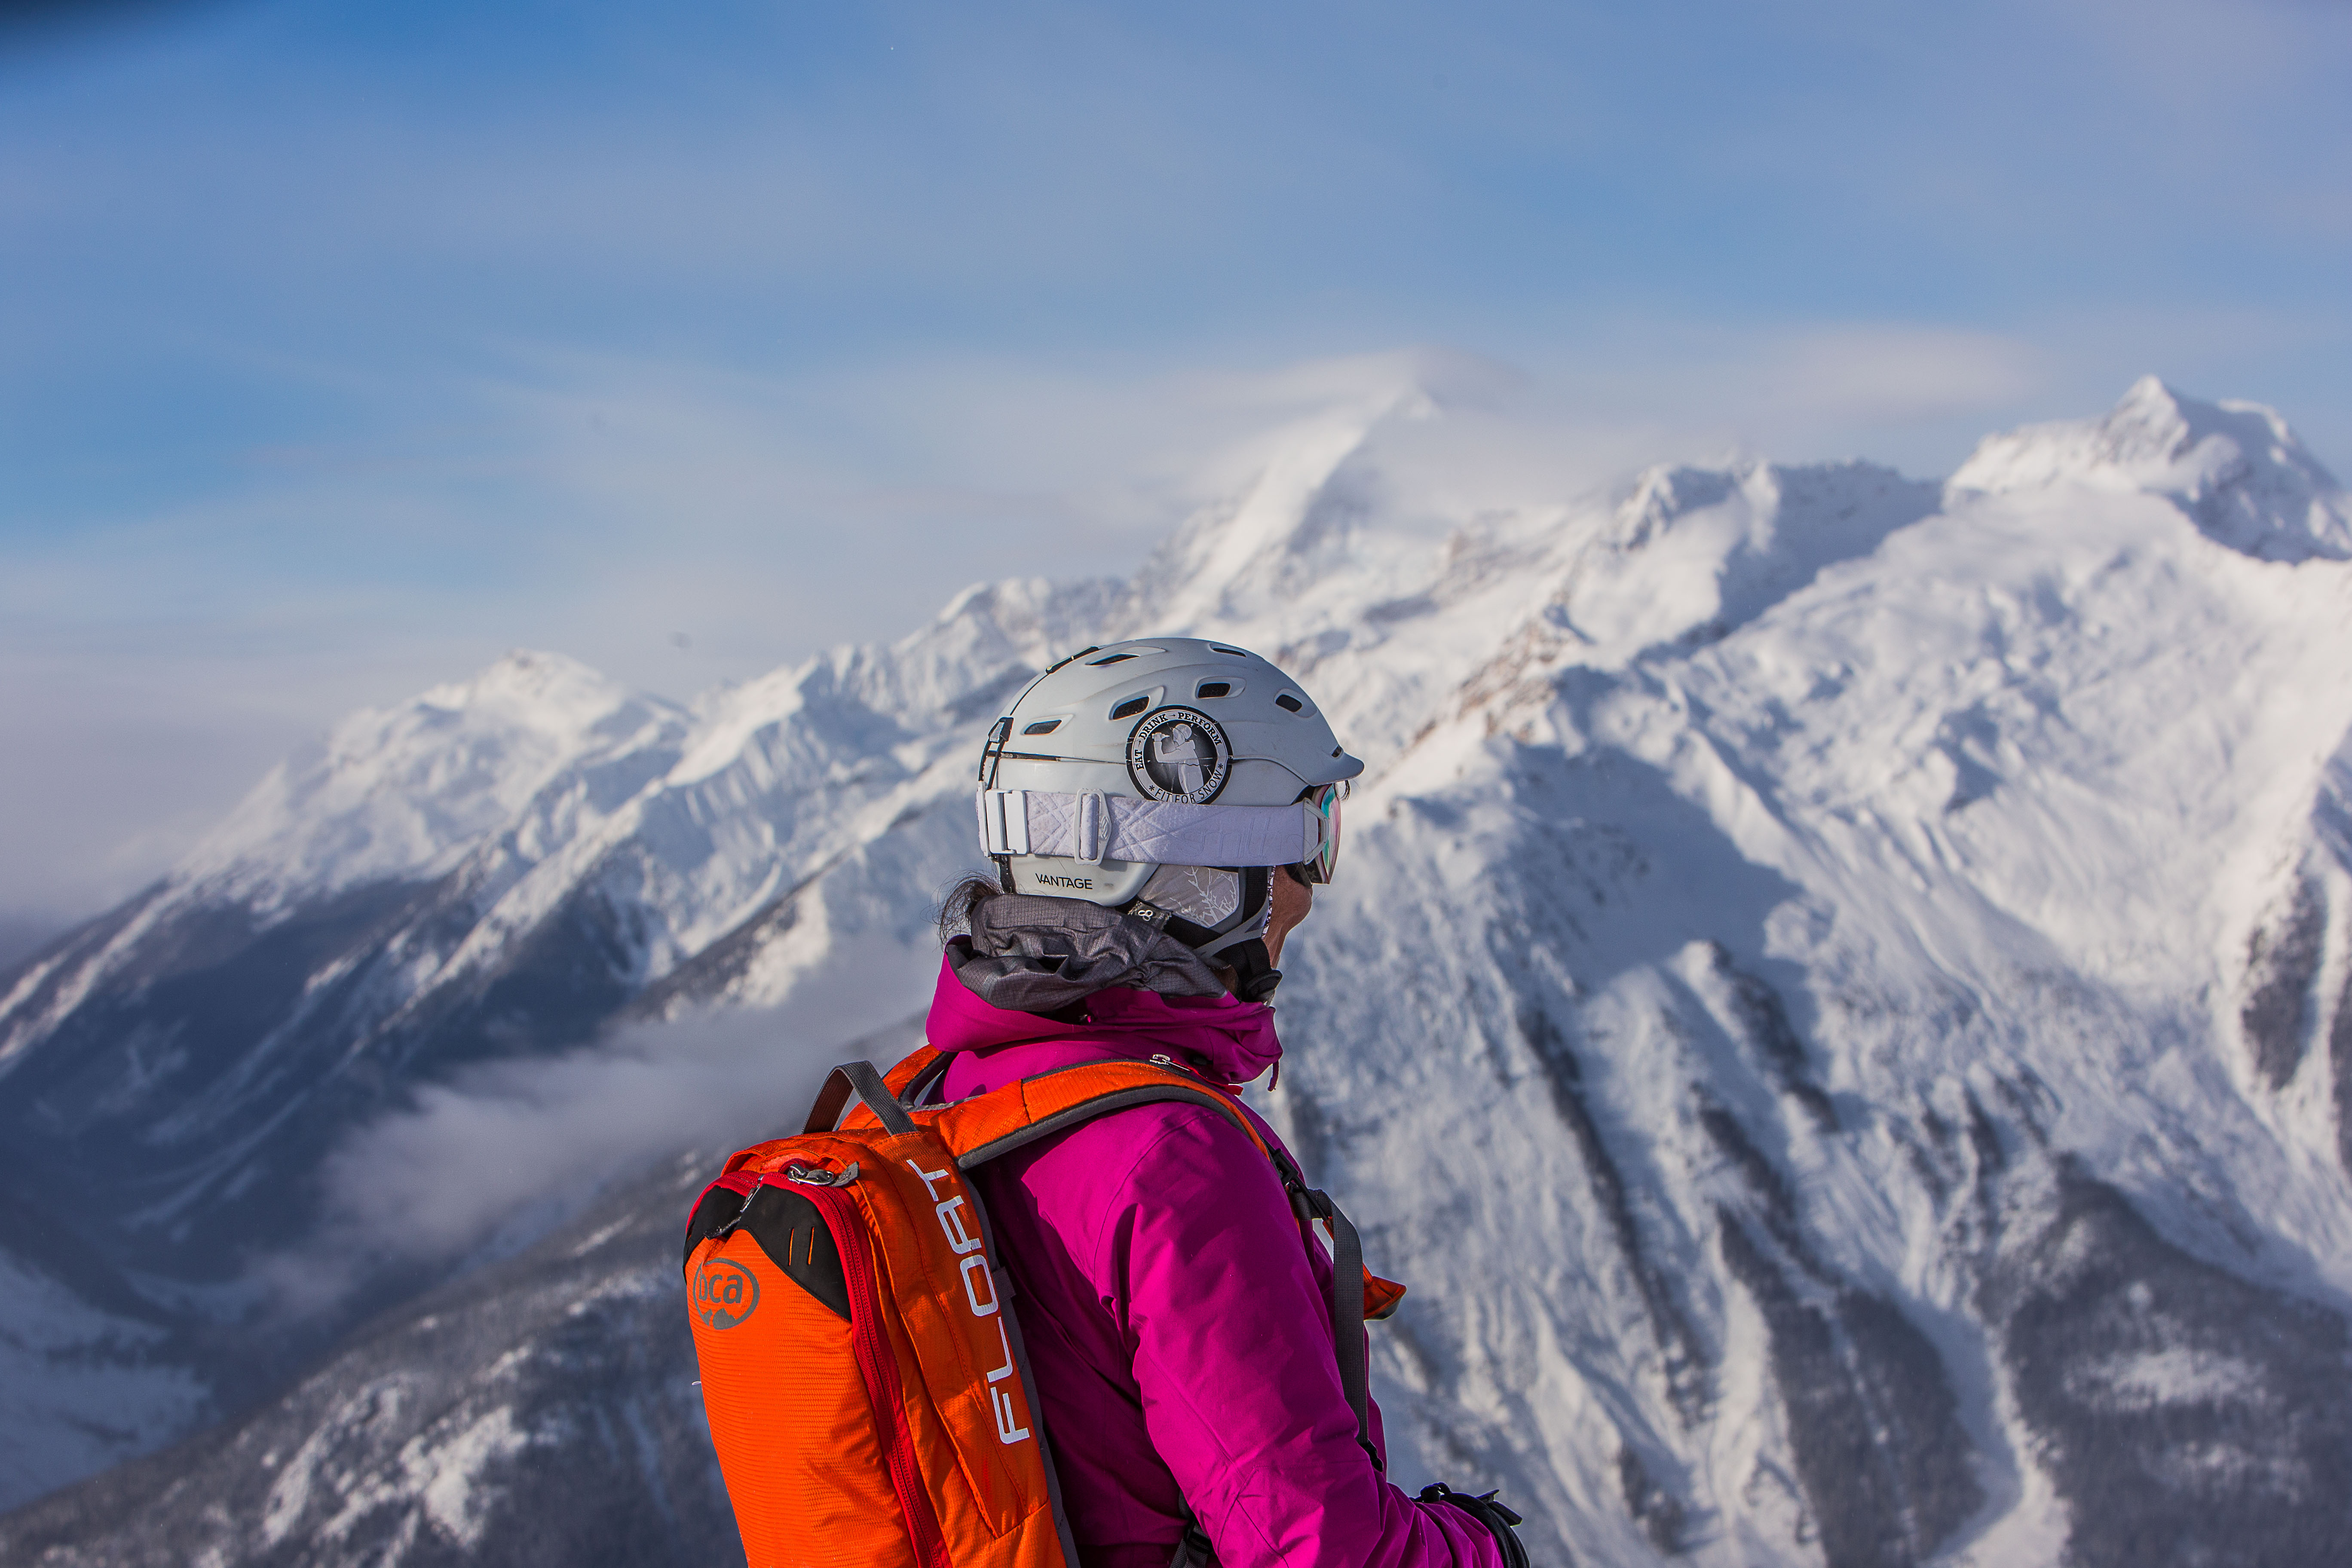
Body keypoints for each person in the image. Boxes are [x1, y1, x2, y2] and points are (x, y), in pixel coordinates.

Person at [931, 637, 1525, 1568]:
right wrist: (1485, 1551)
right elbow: (1325, 1551)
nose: (1306, 896)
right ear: (1197, 870)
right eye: (1308, 836)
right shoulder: (1168, 1158)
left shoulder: (946, 1094)